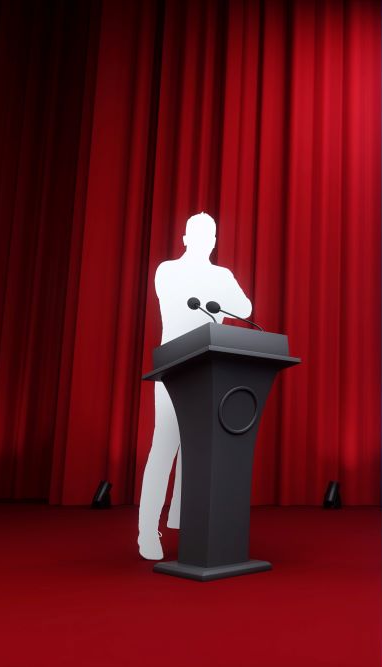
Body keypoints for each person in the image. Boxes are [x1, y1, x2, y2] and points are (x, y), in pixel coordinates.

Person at [138, 212, 253, 560]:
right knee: (166, 444)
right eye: (199, 236)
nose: (204, 242)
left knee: (199, 448)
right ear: (186, 239)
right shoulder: (167, 270)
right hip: (175, 368)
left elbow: (246, 308)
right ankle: (147, 531)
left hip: (209, 369)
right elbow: (179, 299)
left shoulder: (221, 276)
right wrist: (217, 291)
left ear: (214, 243)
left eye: (209, 237)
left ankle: (183, 519)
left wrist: (220, 290)